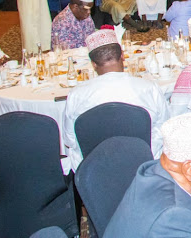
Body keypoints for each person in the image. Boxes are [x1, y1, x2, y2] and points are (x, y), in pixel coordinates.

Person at [62, 29, 169, 172]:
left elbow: (70, 140)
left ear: (93, 64)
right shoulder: (149, 88)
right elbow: (165, 127)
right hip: (143, 166)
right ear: (123, 56)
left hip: (93, 171)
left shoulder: (77, 94)